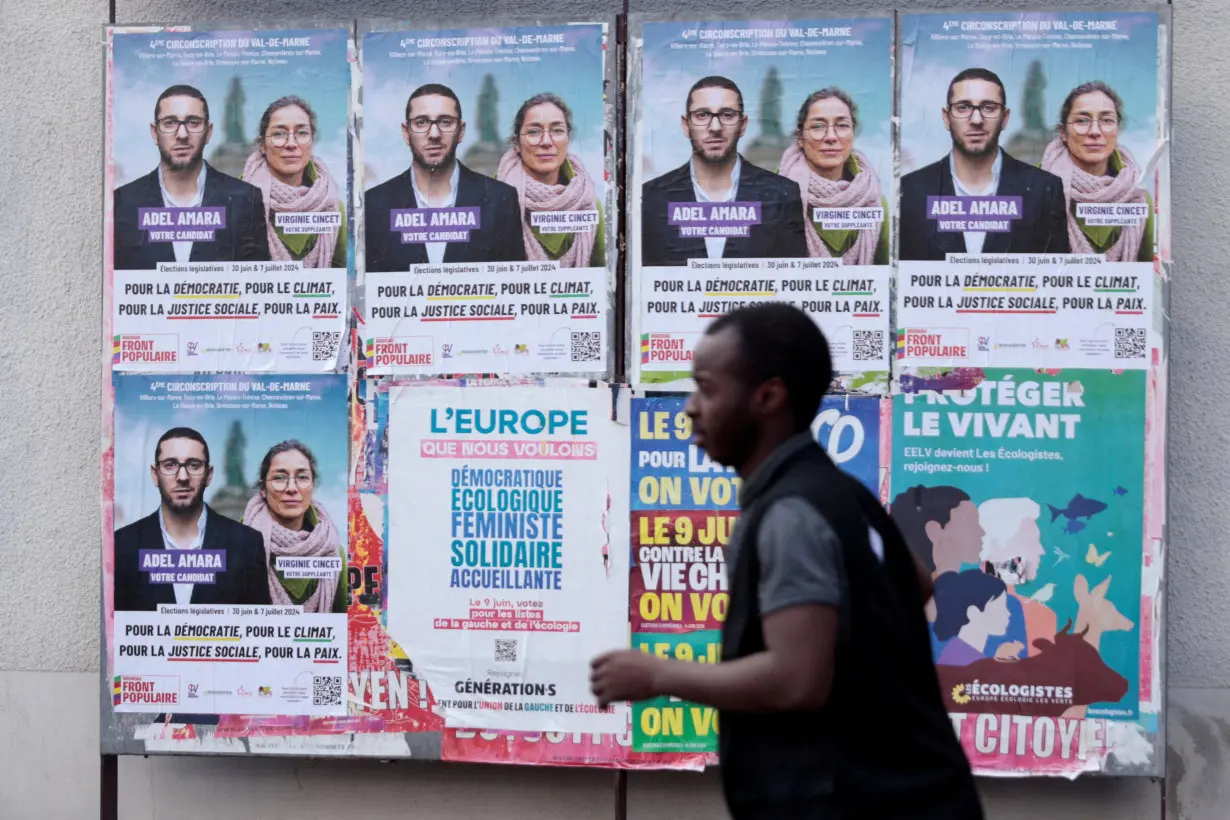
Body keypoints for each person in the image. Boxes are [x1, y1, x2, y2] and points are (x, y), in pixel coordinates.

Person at [589, 303, 984, 819]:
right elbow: (919, 585)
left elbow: (796, 681)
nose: (690, 407)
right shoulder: (842, 493)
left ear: (768, 397)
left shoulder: (791, 513)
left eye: (707, 388)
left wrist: (658, 674)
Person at [899, 68, 1070, 260]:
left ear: (1005, 118)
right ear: (946, 118)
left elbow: (1057, 278)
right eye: (963, 107)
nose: (976, 120)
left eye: (988, 107)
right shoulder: (909, 191)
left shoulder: (1045, 189)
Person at [640, 76, 808, 266]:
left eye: (727, 115)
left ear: (743, 125)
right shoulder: (650, 197)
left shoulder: (782, 194)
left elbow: (793, 280)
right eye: (702, 115)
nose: (715, 127)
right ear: (686, 125)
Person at [364, 83, 525, 271]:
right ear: (406, 133)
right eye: (421, 122)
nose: (434, 134)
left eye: (445, 121)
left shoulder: (501, 199)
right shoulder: (374, 204)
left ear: (461, 131)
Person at [113, 84, 271, 270]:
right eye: (170, 123)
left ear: (208, 132)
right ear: (155, 133)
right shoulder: (123, 201)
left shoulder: (246, 199)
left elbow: (257, 285)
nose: (182, 134)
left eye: (193, 122)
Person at [113, 427, 271, 611]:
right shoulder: (122, 544)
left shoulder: (247, 543)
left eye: (194, 465)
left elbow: (257, 632)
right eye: (170, 465)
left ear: (209, 475)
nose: (182, 477)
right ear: (155, 475)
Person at [1041, 80, 1154, 262]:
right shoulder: (1034, 188)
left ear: (1117, 129)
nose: (1095, 131)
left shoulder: (1137, 196)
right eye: (1082, 120)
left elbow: (1150, 276)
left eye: (1107, 120)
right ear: (1063, 132)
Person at [778, 88, 889, 264]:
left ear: (853, 133)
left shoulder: (873, 200)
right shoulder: (773, 194)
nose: (831, 137)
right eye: (818, 126)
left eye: (842, 125)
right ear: (800, 137)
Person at [496, 93, 605, 268]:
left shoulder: (589, 204)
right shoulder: (492, 200)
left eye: (557, 131)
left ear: (568, 139)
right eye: (533, 132)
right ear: (517, 142)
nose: (546, 141)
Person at [241, 440, 346, 613]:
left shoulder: (332, 551)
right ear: (262, 489)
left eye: (302, 477)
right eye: (279, 478)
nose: (291, 488)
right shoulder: (237, 543)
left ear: (312, 486)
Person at [242, 95, 347, 268]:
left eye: (302, 133)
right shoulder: (236, 201)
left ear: (312, 141)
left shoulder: (332, 206)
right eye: (279, 133)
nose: (291, 143)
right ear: (262, 144)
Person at [978, 498, 1056, 659]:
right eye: (1032, 541)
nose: (1041, 551)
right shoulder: (1037, 614)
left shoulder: (1042, 615)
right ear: (1001, 545)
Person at [932, 570, 1012, 666]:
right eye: (1000, 607)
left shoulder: (964, 653)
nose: (1008, 613)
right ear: (973, 613)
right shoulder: (960, 660)